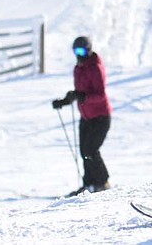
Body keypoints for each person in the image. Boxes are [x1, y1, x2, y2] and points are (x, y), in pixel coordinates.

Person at [52, 35, 112, 193]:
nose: (78, 54)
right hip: (86, 116)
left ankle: (103, 183)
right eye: (75, 51)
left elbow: (100, 95)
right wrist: (65, 101)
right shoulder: (78, 69)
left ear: (88, 49)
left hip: (100, 117)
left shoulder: (95, 68)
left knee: (91, 150)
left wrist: (82, 97)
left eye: (80, 50)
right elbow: (80, 92)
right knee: (84, 151)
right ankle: (89, 184)